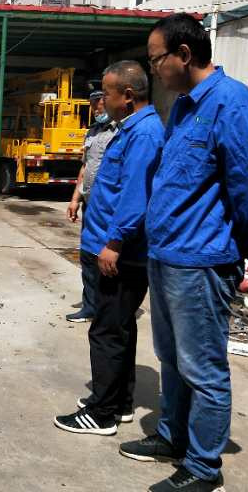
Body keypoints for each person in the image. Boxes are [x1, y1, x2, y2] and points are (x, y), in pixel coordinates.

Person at [119, 14, 248, 492]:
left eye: (156, 60)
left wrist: (234, 250)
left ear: (184, 55)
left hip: (202, 261)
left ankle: (204, 467)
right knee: (172, 359)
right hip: (168, 256)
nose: (153, 70)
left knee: (203, 368)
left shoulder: (232, 103)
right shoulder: (184, 107)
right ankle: (173, 437)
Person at [54, 60, 164, 436]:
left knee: (106, 331)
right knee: (119, 328)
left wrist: (114, 242)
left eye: (108, 92)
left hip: (122, 252)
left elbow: (135, 195)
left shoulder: (143, 134)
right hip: (112, 244)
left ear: (127, 95)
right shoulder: (131, 128)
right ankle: (119, 401)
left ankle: (102, 413)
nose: (102, 100)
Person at [66, 90, 119, 323]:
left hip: (108, 206)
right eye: (93, 105)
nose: (97, 109)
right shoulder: (92, 132)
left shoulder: (120, 133)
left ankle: (107, 308)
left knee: (105, 257)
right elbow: (85, 167)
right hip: (90, 204)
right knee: (88, 256)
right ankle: (90, 307)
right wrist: (75, 199)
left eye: (100, 104)